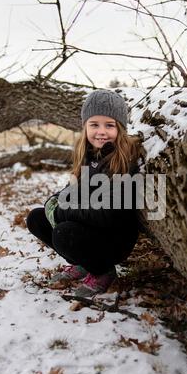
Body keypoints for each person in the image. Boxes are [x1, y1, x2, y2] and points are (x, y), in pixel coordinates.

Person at [26, 89, 142, 297]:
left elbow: (109, 214)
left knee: (64, 231)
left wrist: (63, 212)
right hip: (90, 229)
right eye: (94, 124)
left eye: (109, 125)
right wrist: (55, 201)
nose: (101, 131)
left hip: (114, 237)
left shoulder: (123, 162)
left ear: (120, 128)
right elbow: (74, 189)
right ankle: (84, 263)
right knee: (37, 217)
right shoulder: (90, 155)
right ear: (85, 126)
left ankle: (102, 270)